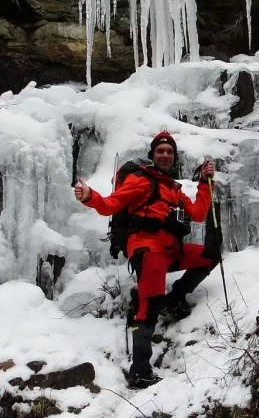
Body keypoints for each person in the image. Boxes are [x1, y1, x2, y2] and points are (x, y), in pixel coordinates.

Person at [74, 131, 217, 388]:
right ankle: (140, 370)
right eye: (160, 151)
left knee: (209, 255)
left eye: (169, 151)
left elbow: (197, 213)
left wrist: (206, 183)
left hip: (171, 251)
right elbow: (110, 205)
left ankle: (173, 302)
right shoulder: (141, 181)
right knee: (148, 306)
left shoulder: (174, 189)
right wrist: (89, 196)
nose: (165, 155)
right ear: (152, 155)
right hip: (148, 251)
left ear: (174, 157)